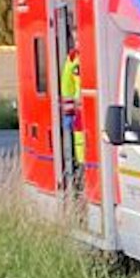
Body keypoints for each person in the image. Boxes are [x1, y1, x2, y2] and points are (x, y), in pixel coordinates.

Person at [59, 47, 84, 188]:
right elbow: (67, 87)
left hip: (95, 110)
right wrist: (68, 112)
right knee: (81, 147)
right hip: (80, 112)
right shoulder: (73, 57)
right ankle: (81, 166)